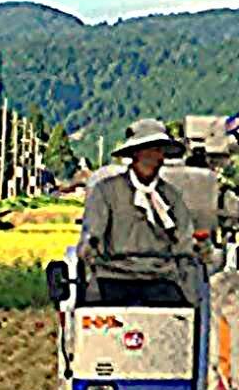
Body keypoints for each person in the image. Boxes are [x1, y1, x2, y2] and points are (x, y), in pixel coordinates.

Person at [76, 122, 212, 299]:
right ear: (136, 154)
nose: (157, 157)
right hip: (112, 278)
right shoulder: (106, 191)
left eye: (160, 151)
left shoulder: (171, 196)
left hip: (161, 279)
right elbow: (92, 235)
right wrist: (89, 249)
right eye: (152, 150)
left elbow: (184, 241)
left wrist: (199, 247)